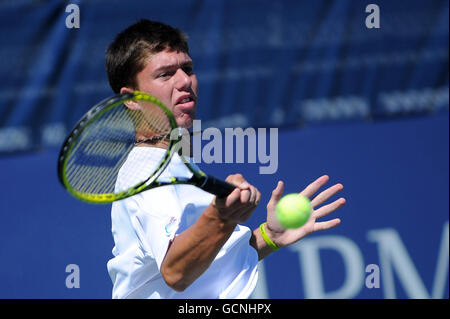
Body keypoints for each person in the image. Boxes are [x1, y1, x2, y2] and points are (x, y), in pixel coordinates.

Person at [105, 19, 346, 299]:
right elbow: (176, 273)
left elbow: (206, 269)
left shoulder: (178, 160)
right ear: (131, 99)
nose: (185, 81)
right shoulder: (146, 170)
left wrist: (268, 237)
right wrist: (220, 216)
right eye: (165, 74)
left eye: (188, 69)